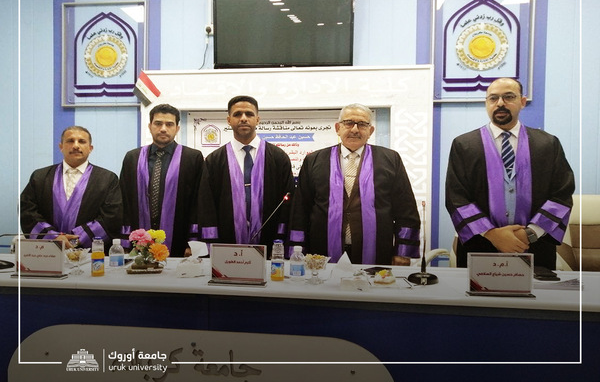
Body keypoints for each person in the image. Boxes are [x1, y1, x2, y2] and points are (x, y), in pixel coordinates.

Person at [445, 77, 575, 270]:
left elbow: (562, 194)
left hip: (534, 246)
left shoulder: (548, 144)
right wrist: (491, 234)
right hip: (481, 245)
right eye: (493, 98)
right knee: (480, 291)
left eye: (508, 97)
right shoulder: (464, 145)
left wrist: (529, 234)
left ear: (522, 102)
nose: (500, 103)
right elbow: (456, 197)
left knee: (537, 290)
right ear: (486, 103)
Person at [288, 103, 421, 265]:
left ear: (370, 131)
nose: (355, 129)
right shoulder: (314, 161)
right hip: (322, 251)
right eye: (348, 123)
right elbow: (300, 210)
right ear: (338, 128)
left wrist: (403, 251)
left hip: (377, 251)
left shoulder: (390, 160)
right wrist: (297, 250)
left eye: (362, 124)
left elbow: (406, 208)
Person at [198, 95, 294, 258]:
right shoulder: (214, 160)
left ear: (257, 119)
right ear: (229, 120)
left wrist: (281, 238)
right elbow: (207, 205)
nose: (243, 118)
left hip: (270, 242)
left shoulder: (278, 158)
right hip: (226, 245)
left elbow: (288, 202)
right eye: (237, 114)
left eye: (249, 114)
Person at [120, 103, 204, 257]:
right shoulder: (132, 158)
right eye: (158, 123)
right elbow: (124, 200)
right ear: (150, 126)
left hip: (180, 237)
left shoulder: (192, 158)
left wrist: (192, 242)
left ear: (177, 128)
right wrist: (125, 241)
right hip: (138, 238)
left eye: (169, 124)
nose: (163, 129)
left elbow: (198, 204)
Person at [20, 126, 122, 251]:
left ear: (90, 148)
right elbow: (27, 211)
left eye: (82, 141)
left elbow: (112, 217)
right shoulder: (40, 177)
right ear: (61, 147)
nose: (76, 146)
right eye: (70, 141)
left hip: (91, 254)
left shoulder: (107, 179)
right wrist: (53, 237)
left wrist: (75, 240)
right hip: (47, 253)